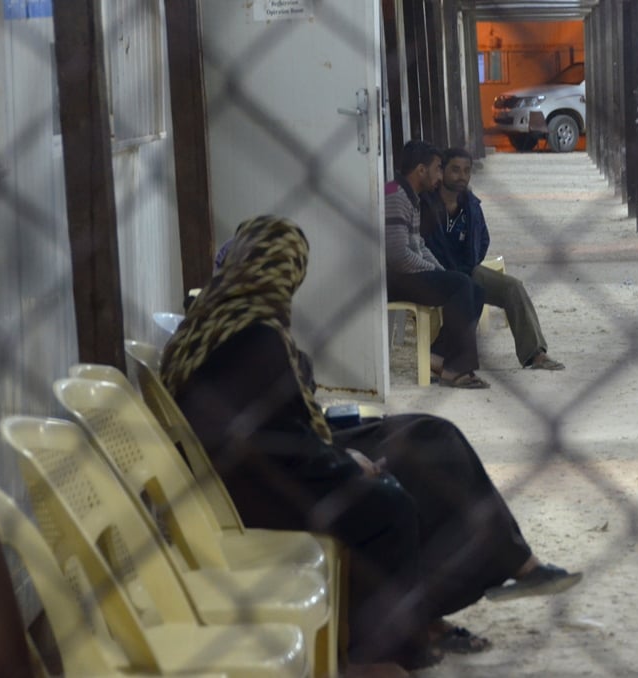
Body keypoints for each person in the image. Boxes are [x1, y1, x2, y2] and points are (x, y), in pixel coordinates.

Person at [159, 216, 582, 676]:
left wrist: (337, 452)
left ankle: (481, 580)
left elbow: (279, 426)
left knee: (429, 434)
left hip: (265, 462)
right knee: (394, 498)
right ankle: (389, 651)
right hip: (263, 481)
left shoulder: (220, 318)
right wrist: (347, 464)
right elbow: (277, 447)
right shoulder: (253, 337)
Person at [421, 147, 565, 371]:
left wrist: (472, 263)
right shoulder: (426, 204)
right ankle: (447, 356)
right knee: (466, 289)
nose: (461, 176)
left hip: (469, 269)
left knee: (513, 287)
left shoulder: (471, 205)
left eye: (467, 171)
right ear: (442, 171)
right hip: (437, 271)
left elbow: (483, 238)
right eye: (455, 170)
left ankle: (535, 354)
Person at [385, 140, 490, 389]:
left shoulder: (413, 196)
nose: (440, 175)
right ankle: (457, 369)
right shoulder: (395, 195)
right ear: (421, 170)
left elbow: (419, 244)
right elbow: (397, 256)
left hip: (407, 273)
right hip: (393, 278)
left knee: (474, 289)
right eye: (438, 168)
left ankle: (438, 356)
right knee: (459, 285)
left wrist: (442, 272)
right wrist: (434, 272)